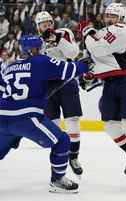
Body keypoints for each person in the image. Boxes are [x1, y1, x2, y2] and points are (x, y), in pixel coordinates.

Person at [0, 35, 88, 193]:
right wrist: (85, 64)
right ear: (35, 49)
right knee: (62, 140)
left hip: (2, 116)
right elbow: (71, 70)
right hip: (26, 117)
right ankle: (58, 180)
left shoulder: (9, 66)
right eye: (39, 47)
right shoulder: (41, 60)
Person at [81, 3, 126, 185]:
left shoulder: (120, 29)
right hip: (110, 83)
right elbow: (97, 56)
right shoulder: (104, 31)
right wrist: (90, 73)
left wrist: (87, 33)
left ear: (121, 19)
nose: (109, 18)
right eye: (107, 15)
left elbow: (98, 49)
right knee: (110, 125)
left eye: (113, 16)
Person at [35, 11, 83, 176]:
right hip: (47, 87)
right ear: (38, 26)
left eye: (49, 22)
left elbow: (73, 54)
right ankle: (58, 162)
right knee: (53, 127)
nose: (47, 25)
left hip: (67, 82)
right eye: (43, 24)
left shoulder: (64, 33)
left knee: (72, 121)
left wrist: (57, 39)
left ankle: (74, 157)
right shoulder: (36, 42)